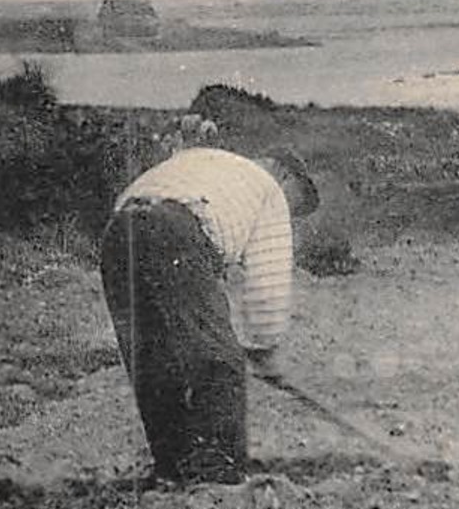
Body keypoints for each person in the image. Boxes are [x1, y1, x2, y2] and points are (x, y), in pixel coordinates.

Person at [99, 147, 320, 484]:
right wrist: (264, 346)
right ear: (284, 175)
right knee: (219, 362)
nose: (289, 214)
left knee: (152, 360)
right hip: (175, 232)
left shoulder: (207, 161)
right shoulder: (268, 189)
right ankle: (219, 478)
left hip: (119, 232)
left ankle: (171, 470)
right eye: (295, 204)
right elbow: (268, 283)